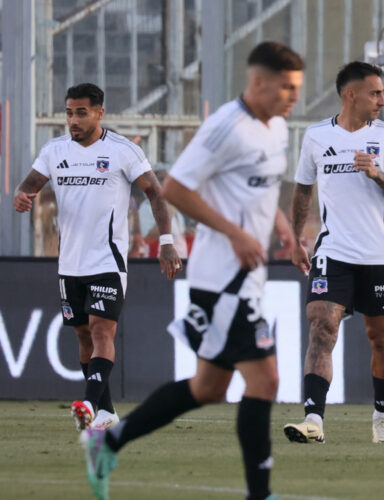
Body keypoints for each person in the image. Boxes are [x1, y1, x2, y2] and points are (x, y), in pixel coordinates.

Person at [76, 41, 304, 500]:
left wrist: (283, 229)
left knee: (208, 386)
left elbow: (259, 190)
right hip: (221, 281)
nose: (293, 97)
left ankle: (109, 440)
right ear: (258, 82)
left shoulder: (277, 128)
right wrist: (235, 234)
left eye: (297, 88)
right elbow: (175, 189)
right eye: (286, 87)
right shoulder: (226, 127)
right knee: (266, 380)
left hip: (245, 280)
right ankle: (260, 493)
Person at [13, 83, 181, 434]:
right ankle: (105, 412)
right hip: (69, 264)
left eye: (81, 113)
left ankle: (87, 404)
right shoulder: (54, 150)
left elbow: (156, 194)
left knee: (103, 329)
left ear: (100, 113)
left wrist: (166, 241)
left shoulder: (122, 151)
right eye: (69, 112)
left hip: (108, 260)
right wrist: (21, 196)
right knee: (84, 337)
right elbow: (28, 184)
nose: (73, 120)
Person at [285, 61, 384, 445]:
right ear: (350, 94)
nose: (382, 100)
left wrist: (379, 175)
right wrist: (295, 239)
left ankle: (382, 416)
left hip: (378, 255)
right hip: (333, 251)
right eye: (375, 93)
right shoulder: (315, 137)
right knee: (321, 327)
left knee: (380, 339)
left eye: (382, 93)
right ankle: (313, 420)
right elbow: (303, 190)